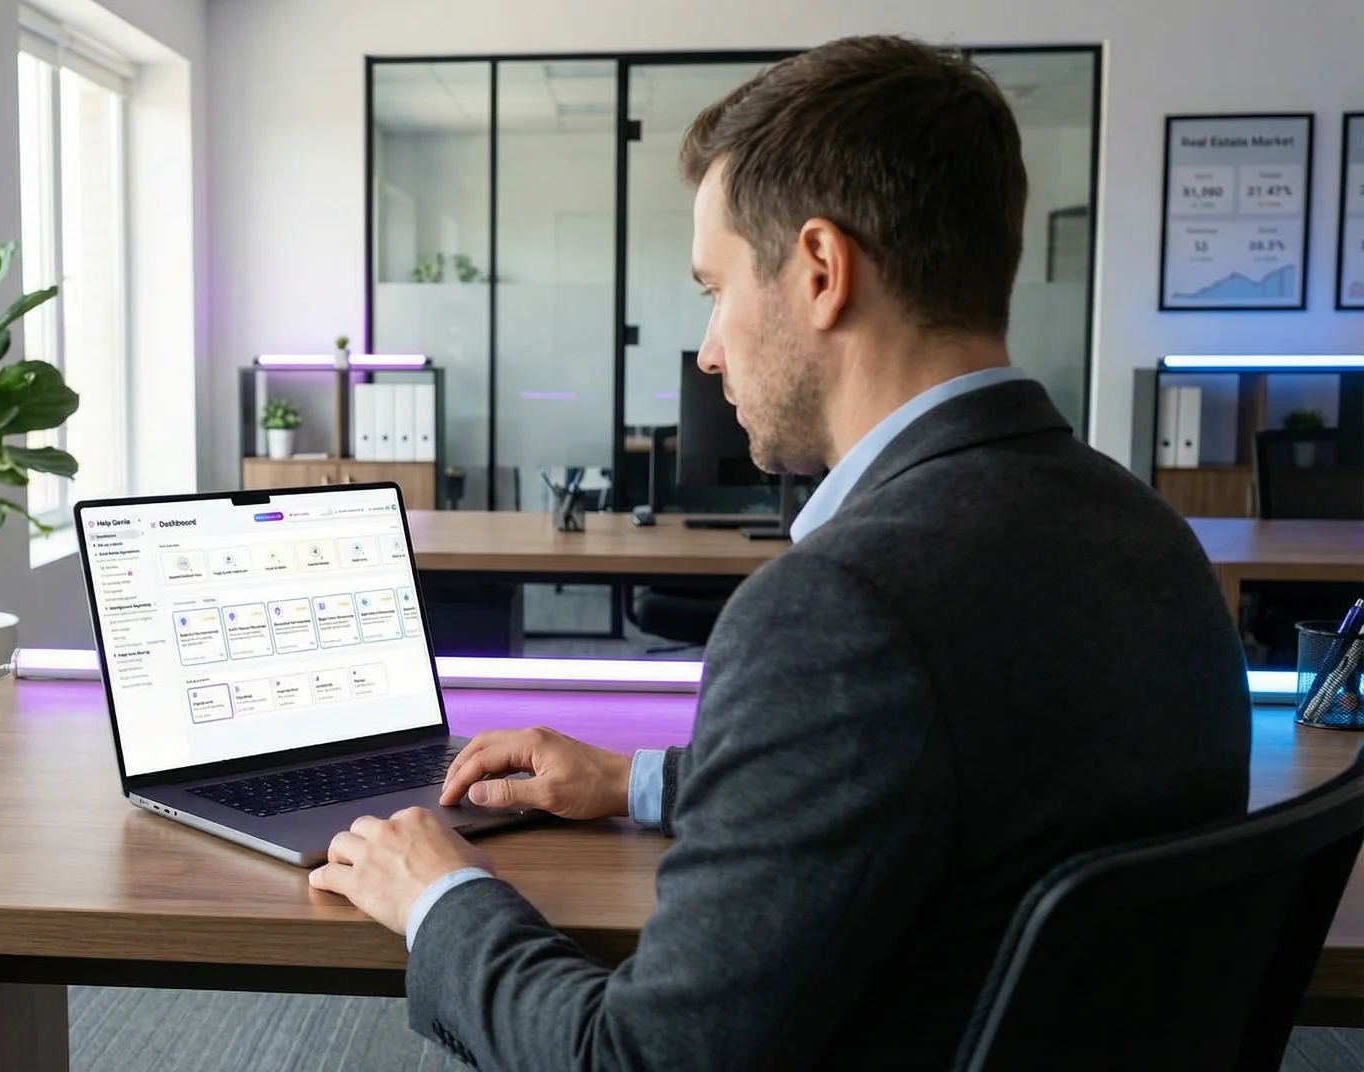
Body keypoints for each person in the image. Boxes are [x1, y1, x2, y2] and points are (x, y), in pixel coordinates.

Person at [307, 34, 1252, 1070]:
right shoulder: (1150, 535)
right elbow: (949, 794)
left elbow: (634, 1061)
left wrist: (439, 894)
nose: (709, 349)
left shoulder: (843, 607)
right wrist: (641, 783)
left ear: (819, 271)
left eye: (715, 288)